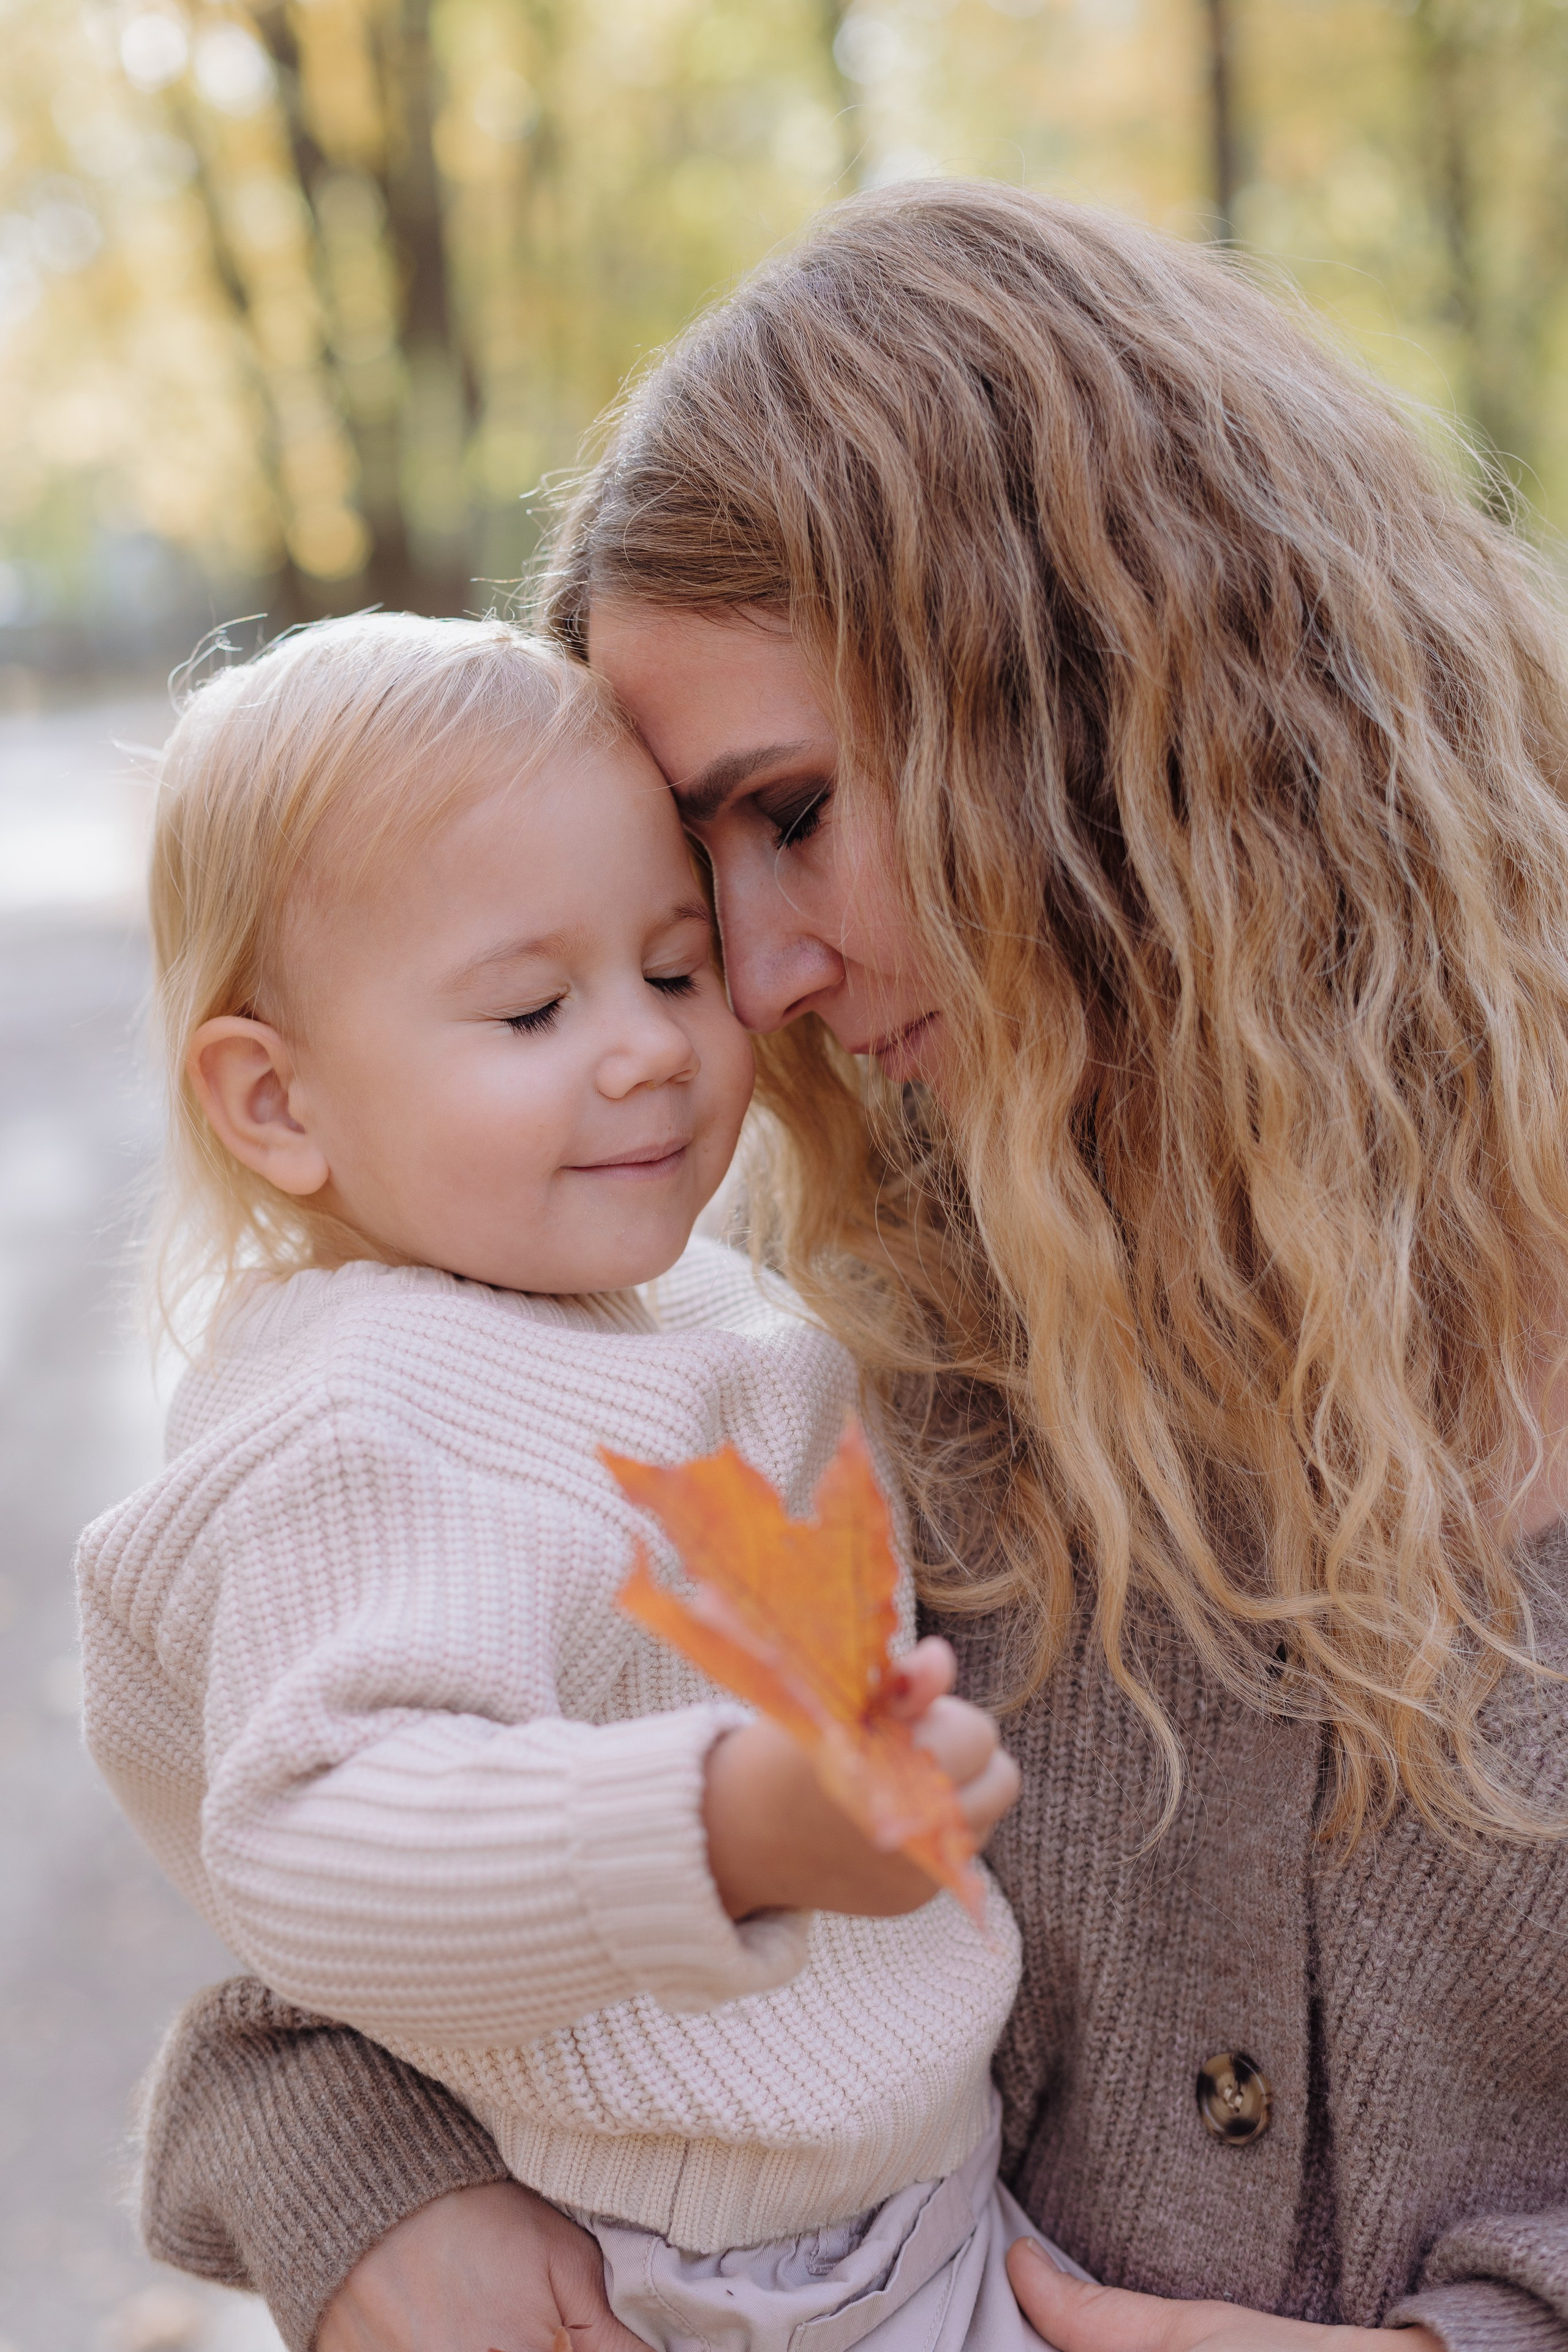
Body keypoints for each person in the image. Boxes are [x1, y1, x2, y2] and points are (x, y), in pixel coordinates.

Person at [134, 184, 1566, 2352]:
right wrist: (364, 2189)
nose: (761, 996)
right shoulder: (832, 1291)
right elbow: (373, 1863)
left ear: (1106, 693)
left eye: (789, 812)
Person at [77, 608, 1061, 2352]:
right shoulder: (370, 1418)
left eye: (675, 971)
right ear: (275, 1101)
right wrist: (730, 1826)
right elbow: (318, 1824)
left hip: (906, 2210)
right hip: (682, 2276)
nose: (647, 1050)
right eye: (534, 1007)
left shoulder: (666, 1304)